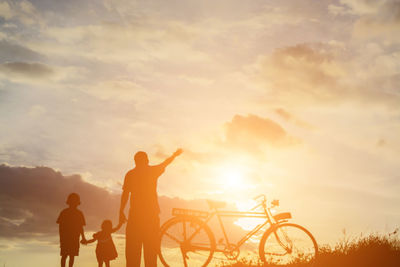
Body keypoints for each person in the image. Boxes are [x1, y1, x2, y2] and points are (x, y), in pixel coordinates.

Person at [119, 149, 183, 267]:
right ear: (147, 160)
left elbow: (125, 195)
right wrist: (174, 155)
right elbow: (166, 163)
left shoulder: (130, 174)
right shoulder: (152, 171)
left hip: (135, 219)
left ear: (135, 161)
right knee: (151, 256)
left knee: (132, 257)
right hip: (151, 218)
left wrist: (121, 211)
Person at [57, 193, 87, 267]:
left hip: (74, 238)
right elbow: (60, 227)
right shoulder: (64, 212)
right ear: (69, 202)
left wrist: (83, 237)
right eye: (72, 202)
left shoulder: (79, 213)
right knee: (65, 256)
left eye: (75, 202)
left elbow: (81, 227)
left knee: (71, 256)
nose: (74, 204)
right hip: (66, 239)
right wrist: (61, 238)